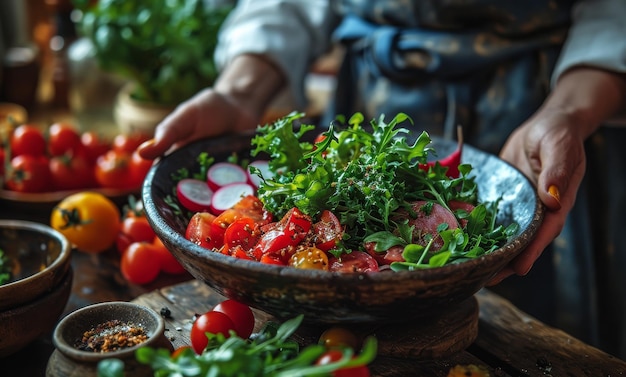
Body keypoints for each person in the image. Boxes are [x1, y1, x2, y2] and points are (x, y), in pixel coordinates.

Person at [138, 0, 626, 358]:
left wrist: (568, 111)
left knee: (532, 338)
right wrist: (238, 92)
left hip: (541, 99)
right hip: (369, 100)